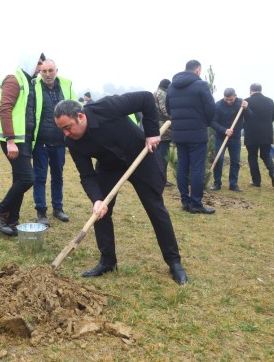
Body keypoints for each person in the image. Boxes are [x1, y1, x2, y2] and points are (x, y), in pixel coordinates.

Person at [53, 94, 187, 284]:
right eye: (62, 130)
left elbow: (146, 99)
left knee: (155, 209)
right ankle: (108, 261)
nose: (65, 133)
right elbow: (87, 175)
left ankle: (174, 262)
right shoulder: (72, 141)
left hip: (140, 156)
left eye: (68, 127)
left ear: (81, 117)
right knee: (100, 212)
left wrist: (151, 133)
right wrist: (97, 199)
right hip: (109, 166)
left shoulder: (107, 107)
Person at [0, 53, 45, 236]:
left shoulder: (31, 82)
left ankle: (12, 220)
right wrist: (10, 140)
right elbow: (5, 109)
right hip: (14, 140)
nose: (40, 68)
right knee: (28, 179)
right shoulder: (14, 80)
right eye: (38, 63)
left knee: (19, 179)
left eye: (42, 64)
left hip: (25, 139)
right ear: (29, 62)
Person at [167, 59, 216, 214]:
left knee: (182, 166)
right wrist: (205, 123)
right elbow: (210, 108)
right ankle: (195, 203)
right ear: (198, 70)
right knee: (197, 168)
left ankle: (185, 201)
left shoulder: (172, 86)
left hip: (179, 133)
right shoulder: (201, 85)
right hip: (197, 133)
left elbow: (169, 109)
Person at [32, 58, 76, 226]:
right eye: (44, 71)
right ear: (40, 72)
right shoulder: (34, 87)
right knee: (40, 177)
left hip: (60, 141)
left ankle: (58, 208)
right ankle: (41, 212)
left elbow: (76, 108)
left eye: (51, 71)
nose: (48, 74)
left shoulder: (66, 86)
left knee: (58, 176)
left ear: (57, 70)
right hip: (41, 141)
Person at [209, 88, 251, 192]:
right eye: (226, 99)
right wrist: (224, 130)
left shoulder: (241, 104)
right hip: (221, 137)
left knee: (235, 161)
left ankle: (233, 184)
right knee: (219, 160)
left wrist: (247, 108)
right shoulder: (218, 105)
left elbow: (250, 116)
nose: (228, 101)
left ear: (235, 96)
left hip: (235, 138)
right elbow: (213, 122)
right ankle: (217, 183)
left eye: (231, 99)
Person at [243, 83, 274, 188]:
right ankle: (273, 172)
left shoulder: (246, 101)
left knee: (252, 157)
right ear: (261, 90)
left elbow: (244, 116)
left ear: (250, 91)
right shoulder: (270, 101)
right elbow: (273, 117)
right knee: (266, 155)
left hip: (251, 133)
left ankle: (256, 181)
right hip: (266, 133)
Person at [153, 79, 173, 186]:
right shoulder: (162, 94)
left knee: (159, 155)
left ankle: (158, 178)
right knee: (163, 156)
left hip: (158, 127)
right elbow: (165, 110)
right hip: (164, 129)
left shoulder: (155, 93)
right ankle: (161, 180)